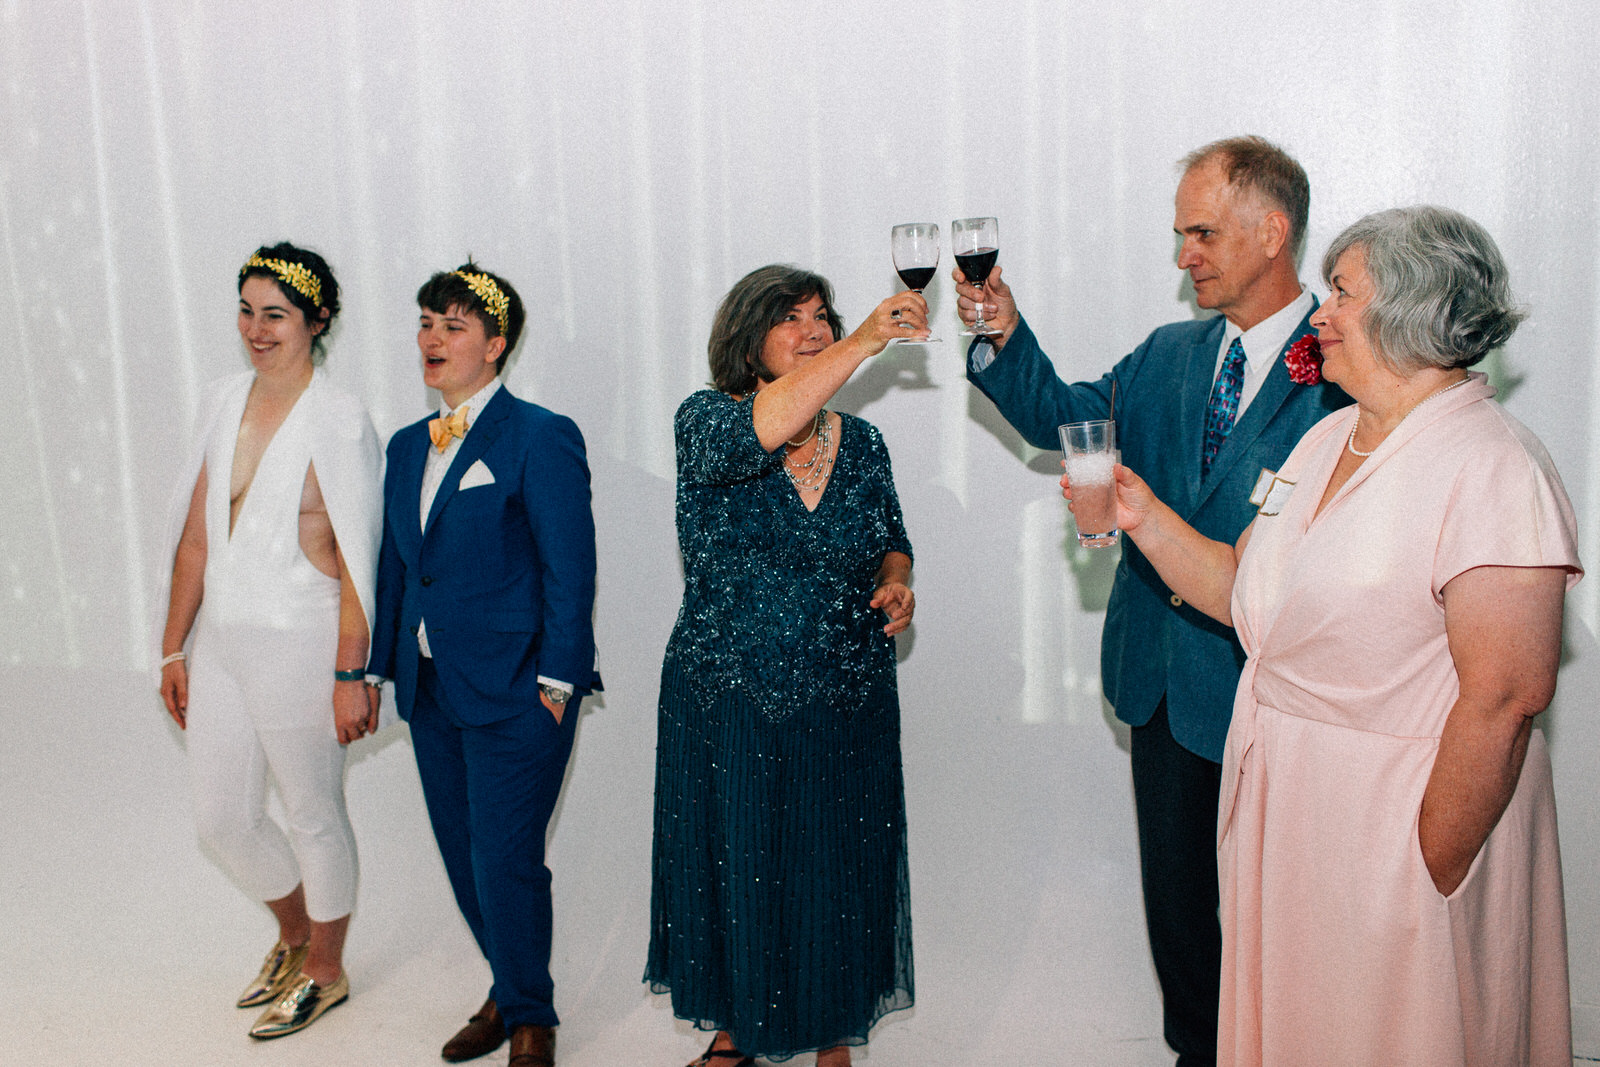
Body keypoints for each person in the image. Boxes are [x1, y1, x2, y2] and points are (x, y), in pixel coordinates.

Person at [1069, 205, 1579, 1065]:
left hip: (1400, 838)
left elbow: (1506, 696)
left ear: (1410, 313)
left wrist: (1429, 861)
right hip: (1293, 825)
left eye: (1341, 293)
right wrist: (1143, 517)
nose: (1318, 313)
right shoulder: (1327, 437)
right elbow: (1249, 593)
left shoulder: (1494, 466)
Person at [954, 136, 1346, 1064]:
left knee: (1286, 904)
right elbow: (1066, 416)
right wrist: (1002, 333)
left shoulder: (1347, 357)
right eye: (1180, 235)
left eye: (1201, 233)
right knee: (1178, 902)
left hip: (1280, 688)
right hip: (1159, 680)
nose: (1184, 258)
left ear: (1271, 230)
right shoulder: (1169, 353)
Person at [646, 265, 924, 1067]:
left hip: (844, 691)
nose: (813, 328)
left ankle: (831, 1032)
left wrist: (896, 581)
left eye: (822, 316)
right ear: (747, 336)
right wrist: (872, 336)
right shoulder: (707, 419)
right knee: (735, 861)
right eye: (789, 317)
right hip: (726, 691)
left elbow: (890, 540)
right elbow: (761, 431)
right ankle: (735, 1027)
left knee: (834, 866)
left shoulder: (863, 443)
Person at [366, 262, 600, 1067]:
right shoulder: (405, 447)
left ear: (496, 346)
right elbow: (397, 568)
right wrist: (374, 671)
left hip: (519, 690)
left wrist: (560, 683)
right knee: (466, 853)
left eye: (453, 325)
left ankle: (532, 1018)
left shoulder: (540, 435)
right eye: (427, 322)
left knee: (506, 858)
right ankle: (509, 986)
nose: (432, 337)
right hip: (431, 689)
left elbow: (571, 568)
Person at [157, 243, 383, 1038]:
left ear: (317, 322)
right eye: (247, 310)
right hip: (220, 641)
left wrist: (352, 671)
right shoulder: (222, 399)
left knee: (315, 810)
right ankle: (294, 933)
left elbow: (361, 560)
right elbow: (194, 535)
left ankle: (328, 969)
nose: (257, 328)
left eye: (276, 314)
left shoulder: (341, 418)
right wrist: (172, 646)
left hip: (302, 638)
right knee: (222, 818)